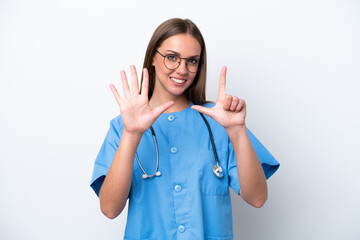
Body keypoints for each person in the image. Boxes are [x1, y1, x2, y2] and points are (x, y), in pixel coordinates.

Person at [90, 18, 279, 240]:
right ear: (153, 56)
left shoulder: (219, 121)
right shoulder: (122, 127)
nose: (182, 70)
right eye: (171, 57)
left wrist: (237, 131)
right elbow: (110, 209)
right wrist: (132, 135)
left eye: (192, 61)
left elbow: (257, 198)